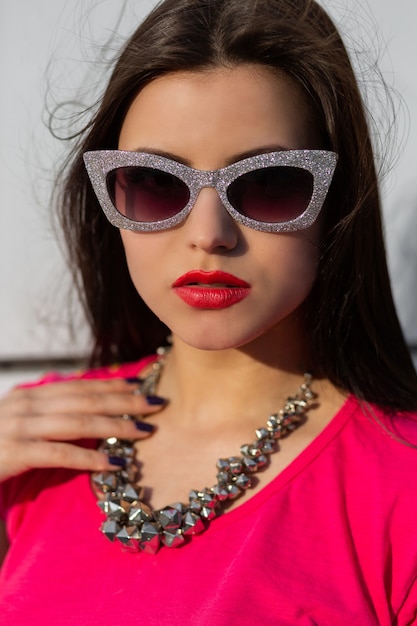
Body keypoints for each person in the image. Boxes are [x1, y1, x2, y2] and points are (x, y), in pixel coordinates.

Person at [0, 0, 416, 623]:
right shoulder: (37, 438)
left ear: (335, 201)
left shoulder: (399, 484)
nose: (209, 234)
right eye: (156, 182)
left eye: (270, 183)